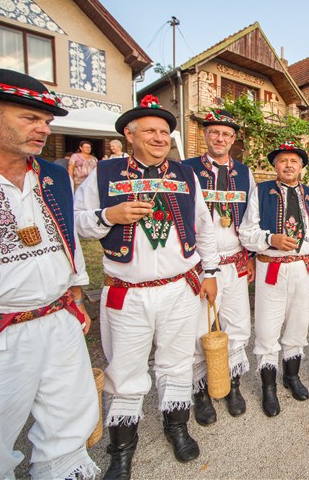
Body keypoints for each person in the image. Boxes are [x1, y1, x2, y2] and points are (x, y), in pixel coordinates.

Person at [74, 95, 219, 478]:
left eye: (164, 131)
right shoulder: (104, 174)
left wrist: (211, 273)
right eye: (150, 131)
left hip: (178, 288)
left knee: (177, 362)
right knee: (125, 369)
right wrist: (110, 215)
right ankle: (122, 449)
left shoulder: (186, 175)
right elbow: (75, 224)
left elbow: (204, 227)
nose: (160, 137)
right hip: (127, 291)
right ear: (129, 134)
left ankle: (177, 427)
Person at [0, 68, 99, 479]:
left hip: (59, 320)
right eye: (29, 118)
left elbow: (70, 242)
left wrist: (77, 295)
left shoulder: (54, 175)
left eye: (47, 120)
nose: (43, 128)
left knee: (69, 426)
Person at [183, 108, 255, 423]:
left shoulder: (244, 172)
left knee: (238, 325)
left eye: (226, 134)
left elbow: (251, 218)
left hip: (236, 262)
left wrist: (250, 256)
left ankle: (233, 383)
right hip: (201, 265)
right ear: (206, 135)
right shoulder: (186, 170)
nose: (220, 138)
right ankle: (200, 391)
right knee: (202, 329)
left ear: (234, 139)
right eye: (214, 132)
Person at [238, 141, 309, 417]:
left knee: (298, 325)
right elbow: (246, 233)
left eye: (294, 161)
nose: (289, 165)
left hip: (303, 269)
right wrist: (271, 239)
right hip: (272, 267)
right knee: (268, 329)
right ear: (275, 165)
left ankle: (292, 377)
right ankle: (268, 388)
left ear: (301, 167)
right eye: (283, 160)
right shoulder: (261, 192)